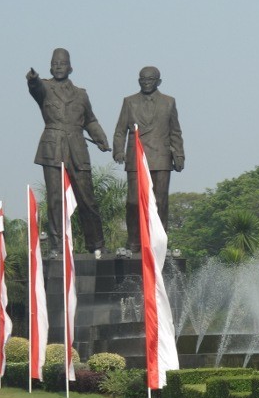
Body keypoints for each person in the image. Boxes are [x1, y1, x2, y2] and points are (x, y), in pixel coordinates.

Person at [27, 48, 110, 258]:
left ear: (70, 67)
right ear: (50, 66)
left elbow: (90, 120)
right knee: (55, 199)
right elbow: (34, 88)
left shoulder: (81, 94)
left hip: (77, 148)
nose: (58, 67)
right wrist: (33, 79)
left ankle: (96, 244)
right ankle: (56, 247)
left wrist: (100, 138)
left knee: (87, 198)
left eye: (62, 63)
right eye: (54, 63)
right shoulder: (44, 88)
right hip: (52, 148)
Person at [113, 66, 184, 252]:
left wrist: (179, 155)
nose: (146, 82)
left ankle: (159, 244)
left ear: (158, 81)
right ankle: (133, 242)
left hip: (161, 157)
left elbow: (175, 131)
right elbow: (120, 130)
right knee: (133, 202)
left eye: (150, 79)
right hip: (136, 158)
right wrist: (118, 151)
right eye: (143, 79)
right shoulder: (129, 102)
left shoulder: (169, 102)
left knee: (160, 202)